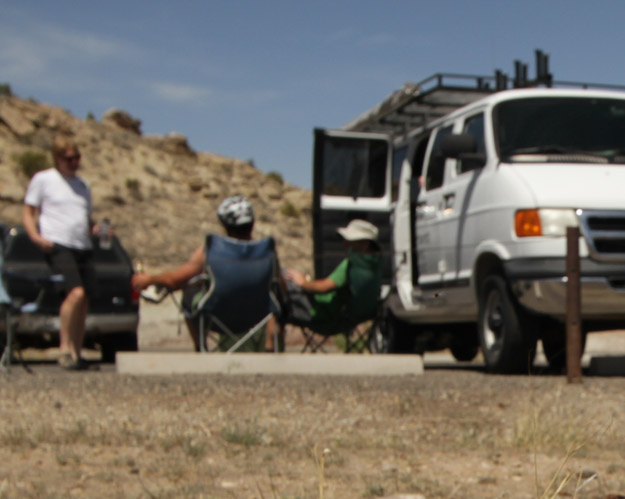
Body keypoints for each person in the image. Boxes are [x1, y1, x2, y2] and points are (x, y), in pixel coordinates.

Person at [131, 195, 280, 350]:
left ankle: (200, 347)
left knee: (189, 293)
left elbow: (175, 280)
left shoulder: (212, 251)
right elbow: (281, 287)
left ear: (224, 224)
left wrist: (150, 278)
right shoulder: (267, 252)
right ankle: (270, 347)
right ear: (252, 223)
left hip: (218, 316)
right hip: (259, 317)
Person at [22, 135, 101, 370]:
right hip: (58, 243)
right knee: (74, 293)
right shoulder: (44, 179)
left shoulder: (82, 185)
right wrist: (36, 237)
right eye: (69, 158)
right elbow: (28, 211)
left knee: (84, 299)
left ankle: (77, 351)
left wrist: (96, 229)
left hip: (82, 244)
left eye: (77, 157)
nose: (74, 162)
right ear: (57, 158)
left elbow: (85, 218)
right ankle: (64, 349)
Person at [282, 218, 382, 333]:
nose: (345, 244)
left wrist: (303, 283)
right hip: (353, 319)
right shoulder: (376, 265)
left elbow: (323, 287)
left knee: (282, 280)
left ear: (365, 244)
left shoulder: (352, 265)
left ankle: (270, 346)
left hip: (327, 317)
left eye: (350, 240)